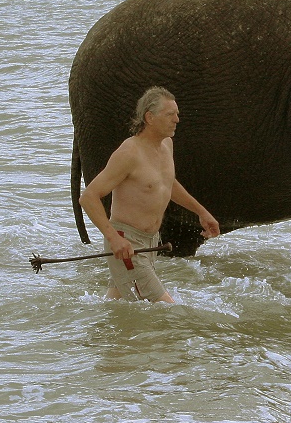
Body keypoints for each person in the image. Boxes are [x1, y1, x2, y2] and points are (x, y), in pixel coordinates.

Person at [79, 87, 220, 302]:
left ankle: (102, 334)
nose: (177, 120)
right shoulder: (129, 153)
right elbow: (88, 197)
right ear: (150, 117)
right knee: (167, 313)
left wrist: (202, 212)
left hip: (150, 241)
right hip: (127, 243)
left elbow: (167, 184)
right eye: (170, 115)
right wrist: (113, 238)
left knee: (118, 305)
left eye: (177, 114)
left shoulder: (166, 145)